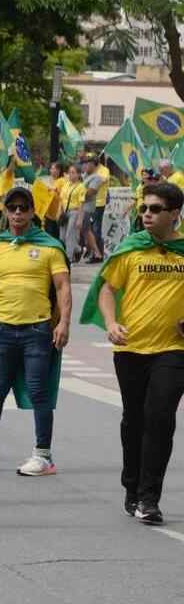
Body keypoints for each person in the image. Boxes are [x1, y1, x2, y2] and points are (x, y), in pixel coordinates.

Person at [90, 182, 184, 524]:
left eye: (155, 209)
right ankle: (131, 485)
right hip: (130, 349)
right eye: (144, 208)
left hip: (174, 350)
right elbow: (107, 289)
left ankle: (149, 498)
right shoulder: (131, 250)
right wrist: (112, 323)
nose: (146, 214)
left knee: (160, 419)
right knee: (135, 421)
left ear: (174, 214)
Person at [0, 187, 72, 477]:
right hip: (3, 331)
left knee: (38, 392)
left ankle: (43, 456)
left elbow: (62, 288)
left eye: (23, 208)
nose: (17, 213)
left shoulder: (50, 247)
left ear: (32, 212)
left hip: (37, 332)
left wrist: (64, 322)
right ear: (5, 212)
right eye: (12, 208)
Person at [61, 165, 88, 263]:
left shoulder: (81, 186)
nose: (71, 175)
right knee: (62, 237)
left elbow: (82, 204)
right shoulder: (66, 185)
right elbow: (62, 199)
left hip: (74, 212)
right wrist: (59, 212)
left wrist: (80, 219)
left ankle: (68, 258)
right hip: (64, 212)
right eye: (70, 172)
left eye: (73, 172)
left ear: (78, 174)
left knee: (69, 235)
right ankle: (79, 249)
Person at [81, 157, 105, 262]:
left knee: (89, 230)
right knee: (85, 231)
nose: (85, 166)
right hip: (79, 207)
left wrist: (76, 194)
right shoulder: (84, 176)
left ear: (95, 165)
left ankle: (97, 254)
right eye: (84, 163)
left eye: (88, 163)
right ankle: (92, 252)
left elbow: (91, 192)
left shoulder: (97, 177)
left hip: (88, 208)